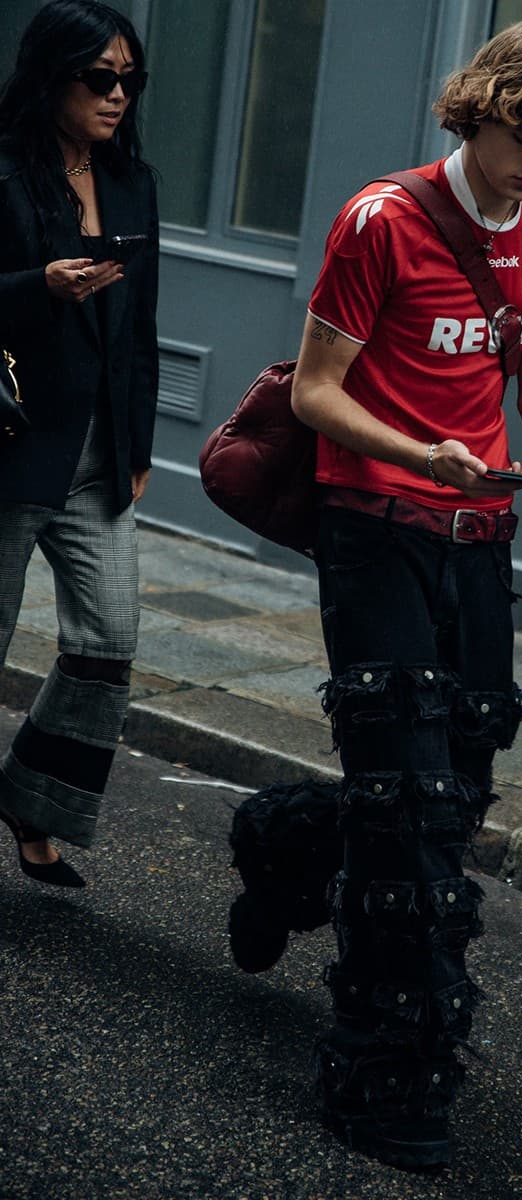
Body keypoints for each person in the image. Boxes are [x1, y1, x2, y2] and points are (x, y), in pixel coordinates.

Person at [232, 18, 522, 1173]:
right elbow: (316, 394)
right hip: (374, 528)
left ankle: (277, 844)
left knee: (447, 796)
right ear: (478, 113)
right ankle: (383, 1085)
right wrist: (420, 456)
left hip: (479, 535)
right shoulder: (383, 220)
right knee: (409, 817)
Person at [0, 0, 158, 887]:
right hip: (13, 441)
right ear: (50, 76)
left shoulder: (133, 183)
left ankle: (35, 799)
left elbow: (143, 324)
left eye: (129, 80)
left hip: (98, 453)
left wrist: (135, 443)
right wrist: (37, 287)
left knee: (108, 640)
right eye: (99, 78)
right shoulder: (5, 177)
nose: (117, 95)